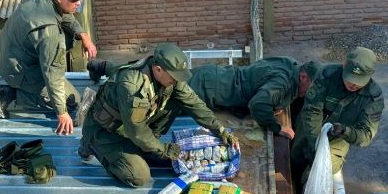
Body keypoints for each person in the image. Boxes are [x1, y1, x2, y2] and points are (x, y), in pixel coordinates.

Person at [79, 43, 239, 187]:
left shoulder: (168, 77)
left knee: (177, 99)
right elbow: (138, 131)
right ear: (158, 70)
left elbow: (193, 103)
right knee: (139, 177)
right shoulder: (132, 88)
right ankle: (90, 145)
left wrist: (220, 129)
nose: (177, 81)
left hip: (132, 126)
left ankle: (147, 148)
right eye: (174, 77)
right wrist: (163, 149)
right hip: (107, 132)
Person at [88, 57, 319, 140]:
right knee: (162, 98)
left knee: (150, 73)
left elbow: (261, 82)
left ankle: (104, 66)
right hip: (209, 89)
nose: (312, 91)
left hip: (215, 76)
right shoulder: (284, 82)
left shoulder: (288, 63)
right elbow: (258, 104)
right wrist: (275, 127)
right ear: (303, 76)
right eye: (311, 86)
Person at [0, 0, 97, 135]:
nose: (79, 3)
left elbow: (65, 16)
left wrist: (83, 35)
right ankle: (8, 95)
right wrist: (62, 112)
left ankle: (16, 90)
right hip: (17, 69)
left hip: (5, 55)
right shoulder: (49, 34)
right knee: (72, 100)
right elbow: (52, 76)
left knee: (64, 92)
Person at [291, 46, 384, 186]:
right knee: (293, 162)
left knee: (315, 175)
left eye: (359, 81)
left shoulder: (372, 98)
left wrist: (345, 131)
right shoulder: (327, 75)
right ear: (344, 64)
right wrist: (315, 143)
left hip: (337, 140)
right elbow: (312, 110)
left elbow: (365, 135)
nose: (353, 85)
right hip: (310, 129)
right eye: (350, 78)